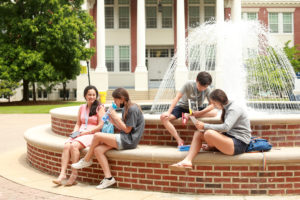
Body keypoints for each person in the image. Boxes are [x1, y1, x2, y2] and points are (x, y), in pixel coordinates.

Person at [71, 88, 145, 189]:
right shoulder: (126, 108)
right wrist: (112, 120)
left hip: (129, 140)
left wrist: (116, 117)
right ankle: (109, 178)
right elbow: (122, 128)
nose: (115, 103)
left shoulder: (132, 109)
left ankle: (87, 159)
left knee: (97, 136)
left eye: (115, 100)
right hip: (125, 137)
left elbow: (127, 130)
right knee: (98, 150)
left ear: (122, 98)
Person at [169, 89, 252, 171]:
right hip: (231, 140)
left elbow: (226, 127)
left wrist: (205, 126)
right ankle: (187, 161)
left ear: (219, 101)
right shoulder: (227, 108)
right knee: (199, 133)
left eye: (214, 103)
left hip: (239, 144)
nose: (214, 106)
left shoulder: (233, 109)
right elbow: (228, 130)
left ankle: (208, 149)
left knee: (208, 133)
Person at [53, 85, 105, 186]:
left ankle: (74, 174)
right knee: (67, 145)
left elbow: (100, 125)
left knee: (74, 146)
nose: (92, 97)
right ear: (85, 95)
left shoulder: (100, 107)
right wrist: (75, 132)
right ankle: (62, 174)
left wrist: (86, 132)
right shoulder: (82, 107)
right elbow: (78, 123)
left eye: (94, 94)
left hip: (92, 134)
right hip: (80, 132)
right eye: (89, 94)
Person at [160, 71, 217, 146]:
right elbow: (177, 97)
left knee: (215, 112)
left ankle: (189, 115)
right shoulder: (188, 84)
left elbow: (212, 105)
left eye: (205, 87)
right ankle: (179, 139)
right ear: (196, 80)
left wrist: (199, 113)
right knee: (163, 117)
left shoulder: (207, 89)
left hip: (196, 109)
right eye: (200, 86)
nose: (202, 89)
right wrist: (168, 112)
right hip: (182, 107)